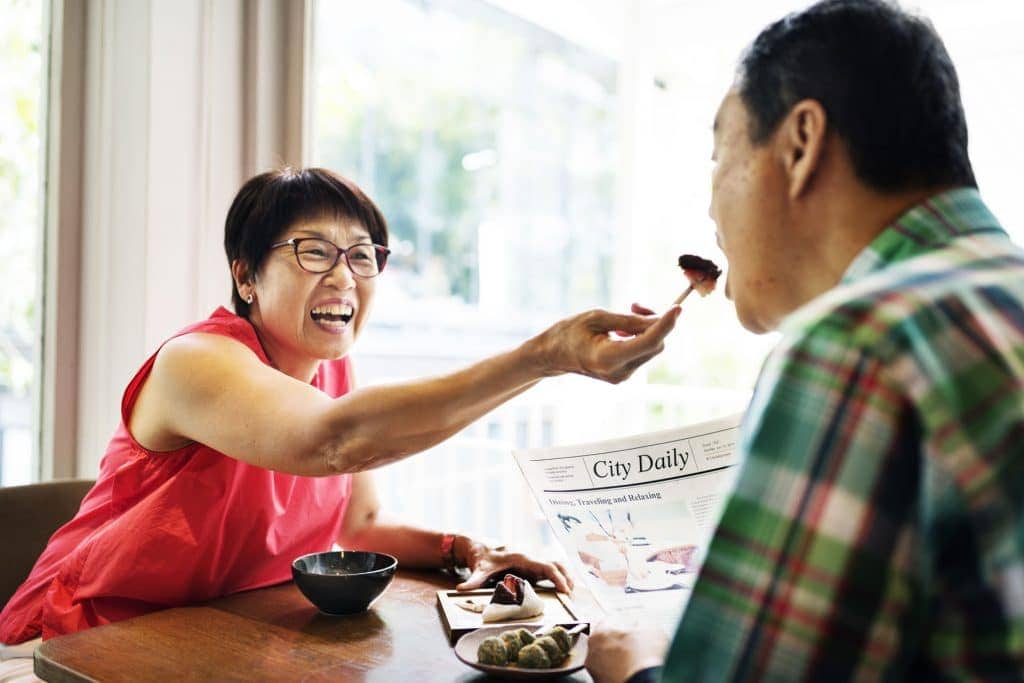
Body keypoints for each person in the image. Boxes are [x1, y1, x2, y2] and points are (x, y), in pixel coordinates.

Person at [0, 167, 680, 645]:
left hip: (214, 640)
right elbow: (334, 442)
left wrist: (467, 547)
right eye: (314, 251)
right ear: (246, 275)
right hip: (83, 645)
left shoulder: (333, 370)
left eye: (362, 255)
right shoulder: (195, 361)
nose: (344, 275)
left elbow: (362, 524)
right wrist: (546, 355)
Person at [586, 0, 1024, 680]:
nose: (709, 207)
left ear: (800, 143)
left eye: (719, 152)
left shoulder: (860, 343)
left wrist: (637, 669)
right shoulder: (998, 296)